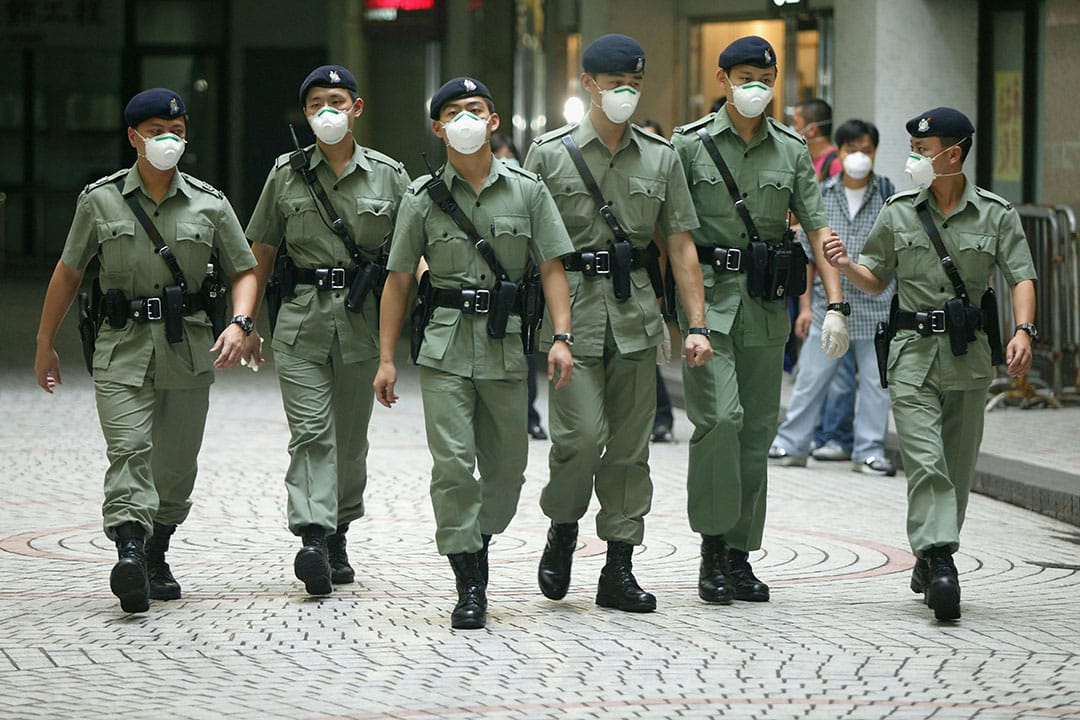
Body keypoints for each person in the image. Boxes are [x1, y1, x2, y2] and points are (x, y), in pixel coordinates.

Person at [33, 88, 259, 613]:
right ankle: (130, 550)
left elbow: (244, 268)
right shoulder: (101, 200)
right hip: (122, 348)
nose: (168, 140)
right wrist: (45, 343)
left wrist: (242, 322)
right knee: (129, 451)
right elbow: (68, 271)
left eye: (177, 132)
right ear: (134, 137)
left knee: (176, 465)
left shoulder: (210, 202)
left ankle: (157, 550)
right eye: (157, 130)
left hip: (188, 348)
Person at [373, 77, 574, 630]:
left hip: (505, 345)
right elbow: (396, 281)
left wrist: (562, 337)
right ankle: (469, 578)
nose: (465, 119)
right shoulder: (421, 196)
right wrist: (387, 358)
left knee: (508, 473)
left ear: (494, 122)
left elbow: (554, 265)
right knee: (454, 465)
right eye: (453, 112)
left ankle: (477, 538)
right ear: (438, 128)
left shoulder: (528, 189)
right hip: (442, 346)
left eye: (475, 109)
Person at [824, 106, 1036, 621]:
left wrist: (1024, 330)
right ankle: (941, 560)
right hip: (912, 355)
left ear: (953, 154)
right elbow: (877, 278)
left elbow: (1021, 276)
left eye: (923, 151)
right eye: (915, 150)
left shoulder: (995, 213)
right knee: (926, 462)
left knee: (958, 467)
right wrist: (848, 264)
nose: (914, 159)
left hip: (969, 357)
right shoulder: (898, 210)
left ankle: (929, 551)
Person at [524, 34, 713, 614]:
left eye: (634, 84)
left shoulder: (662, 156)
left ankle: (619, 567)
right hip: (570, 318)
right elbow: (528, 245)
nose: (626, 93)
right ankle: (562, 525)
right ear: (588, 86)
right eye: (615, 85)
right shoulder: (549, 154)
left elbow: (680, 247)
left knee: (631, 449)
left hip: (636, 315)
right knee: (578, 439)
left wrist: (696, 324)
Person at [671, 35, 849, 605]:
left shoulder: (793, 149)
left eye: (765, 79)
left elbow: (819, 229)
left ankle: (741, 555)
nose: (755, 88)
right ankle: (712, 545)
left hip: (766, 306)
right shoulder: (689, 146)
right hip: (709, 305)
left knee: (755, 434)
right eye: (744, 76)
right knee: (720, 420)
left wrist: (835, 304)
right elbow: (670, 235)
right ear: (722, 80)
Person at [244, 65, 410, 596]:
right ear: (307, 113)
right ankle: (313, 537)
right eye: (317, 103)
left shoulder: (389, 175)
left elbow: (414, 252)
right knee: (312, 433)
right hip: (300, 323)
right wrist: (244, 320)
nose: (327, 112)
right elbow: (262, 250)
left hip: (362, 325)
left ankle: (338, 529)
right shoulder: (286, 173)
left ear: (356, 108)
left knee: (350, 441)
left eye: (337, 101)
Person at [768, 119, 897, 476]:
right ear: (839, 152)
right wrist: (806, 308)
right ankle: (791, 444)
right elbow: (809, 260)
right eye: (852, 149)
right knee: (810, 378)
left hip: (878, 308)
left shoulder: (890, 196)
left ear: (875, 152)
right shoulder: (822, 194)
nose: (860, 156)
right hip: (828, 307)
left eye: (866, 150)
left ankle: (869, 451)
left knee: (876, 385)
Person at [492, 132, 548, 441]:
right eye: (499, 156)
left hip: (520, 290)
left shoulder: (528, 192)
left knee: (524, 355)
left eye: (510, 157)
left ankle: (529, 415)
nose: (506, 163)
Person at [639, 118, 676, 444]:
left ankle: (661, 417)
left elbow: (664, 251)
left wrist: (660, 301)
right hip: (629, 279)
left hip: (654, 283)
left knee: (648, 354)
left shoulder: (667, 181)